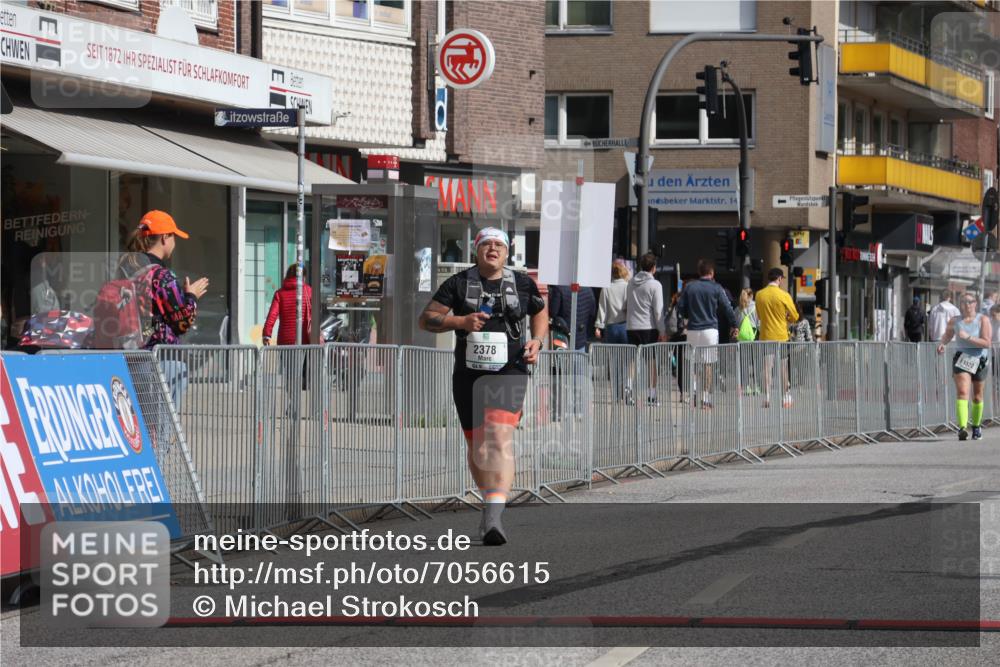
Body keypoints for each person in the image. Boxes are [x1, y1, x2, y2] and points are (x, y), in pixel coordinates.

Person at [418, 228, 547, 546]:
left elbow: (540, 311)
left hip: (510, 369)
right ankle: (489, 504)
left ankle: (493, 516)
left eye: (498, 245)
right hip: (468, 374)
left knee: (499, 438)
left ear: (507, 253)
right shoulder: (458, 283)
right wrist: (459, 322)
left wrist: (537, 340)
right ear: (476, 250)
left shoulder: (521, 283)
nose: (493, 248)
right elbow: (427, 318)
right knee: (477, 445)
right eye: (486, 244)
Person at [117, 210, 208, 451]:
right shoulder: (161, 276)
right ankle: (156, 479)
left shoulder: (126, 270)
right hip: (160, 359)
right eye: (174, 237)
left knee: (138, 428)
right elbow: (182, 322)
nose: (175, 243)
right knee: (159, 428)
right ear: (165, 238)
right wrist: (192, 297)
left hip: (130, 356)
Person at [677, 259, 737, 409]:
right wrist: (734, 324)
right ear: (712, 273)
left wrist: (687, 316)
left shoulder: (690, 287)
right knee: (708, 364)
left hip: (692, 328)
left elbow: (680, 307)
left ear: (699, 273)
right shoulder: (717, 288)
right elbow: (727, 308)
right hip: (710, 330)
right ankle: (705, 398)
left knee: (694, 363)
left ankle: (694, 393)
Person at [937, 292, 992, 440]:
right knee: (962, 392)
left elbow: (987, 342)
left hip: (979, 360)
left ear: (975, 304)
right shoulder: (955, 321)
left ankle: (976, 426)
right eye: (963, 302)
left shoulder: (983, 320)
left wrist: (968, 337)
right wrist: (942, 343)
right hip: (961, 359)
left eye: (969, 302)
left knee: (977, 396)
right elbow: (948, 335)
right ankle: (962, 428)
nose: (966, 305)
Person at [626, 253, 667, 404]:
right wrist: (662, 331)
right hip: (648, 327)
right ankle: (652, 395)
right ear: (654, 268)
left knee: (633, 359)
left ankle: (628, 389)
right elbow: (658, 311)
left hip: (631, 326)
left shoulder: (631, 283)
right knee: (651, 362)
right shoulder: (655, 285)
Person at [755, 267, 797, 408]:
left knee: (767, 367)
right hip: (781, 336)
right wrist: (787, 318)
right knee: (784, 367)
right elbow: (795, 316)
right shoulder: (784, 295)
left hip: (766, 336)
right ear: (779, 279)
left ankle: (766, 397)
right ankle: (785, 397)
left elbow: (759, 316)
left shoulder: (760, 295)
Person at [263, 264, 313, 346]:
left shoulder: (279, 293)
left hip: (284, 340)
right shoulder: (308, 291)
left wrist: (266, 335)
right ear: (303, 276)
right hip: (304, 338)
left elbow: (272, 315)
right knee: (304, 359)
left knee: (286, 359)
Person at [548, 283, 596, 350]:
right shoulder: (588, 290)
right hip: (581, 338)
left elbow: (553, 312)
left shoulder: (559, 288)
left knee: (563, 359)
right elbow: (592, 313)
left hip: (563, 337)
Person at [595, 262, 629, 344]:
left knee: (612, 355)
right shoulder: (627, 286)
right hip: (625, 326)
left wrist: (598, 327)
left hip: (611, 327)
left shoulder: (606, 288)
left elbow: (602, 308)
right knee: (627, 354)